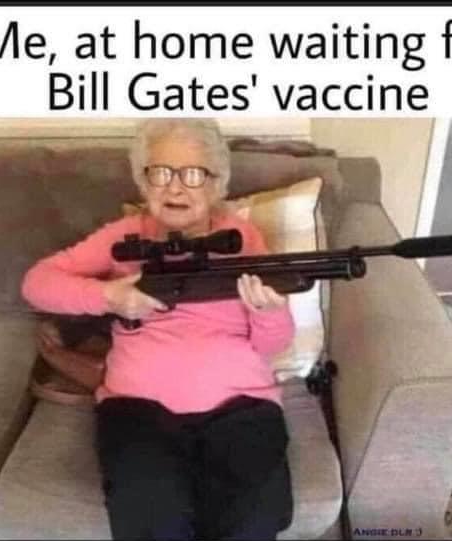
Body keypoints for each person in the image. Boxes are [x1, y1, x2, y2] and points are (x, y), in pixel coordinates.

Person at [21, 118, 295, 541]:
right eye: (161, 173)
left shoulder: (240, 238)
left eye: (193, 174)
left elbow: (272, 343)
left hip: (242, 408)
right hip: (138, 411)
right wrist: (110, 296)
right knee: (152, 524)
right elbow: (36, 283)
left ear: (216, 185)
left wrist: (268, 311)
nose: (176, 188)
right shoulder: (124, 237)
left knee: (253, 521)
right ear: (143, 181)